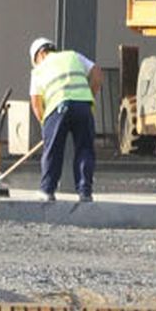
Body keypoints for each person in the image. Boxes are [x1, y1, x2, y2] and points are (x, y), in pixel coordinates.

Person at [28, 35, 99, 205]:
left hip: (58, 108)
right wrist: (88, 96)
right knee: (85, 149)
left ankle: (47, 190)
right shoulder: (73, 56)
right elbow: (97, 73)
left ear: (39, 55)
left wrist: (46, 127)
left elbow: (36, 103)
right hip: (83, 106)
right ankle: (85, 192)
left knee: (53, 150)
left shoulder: (38, 70)